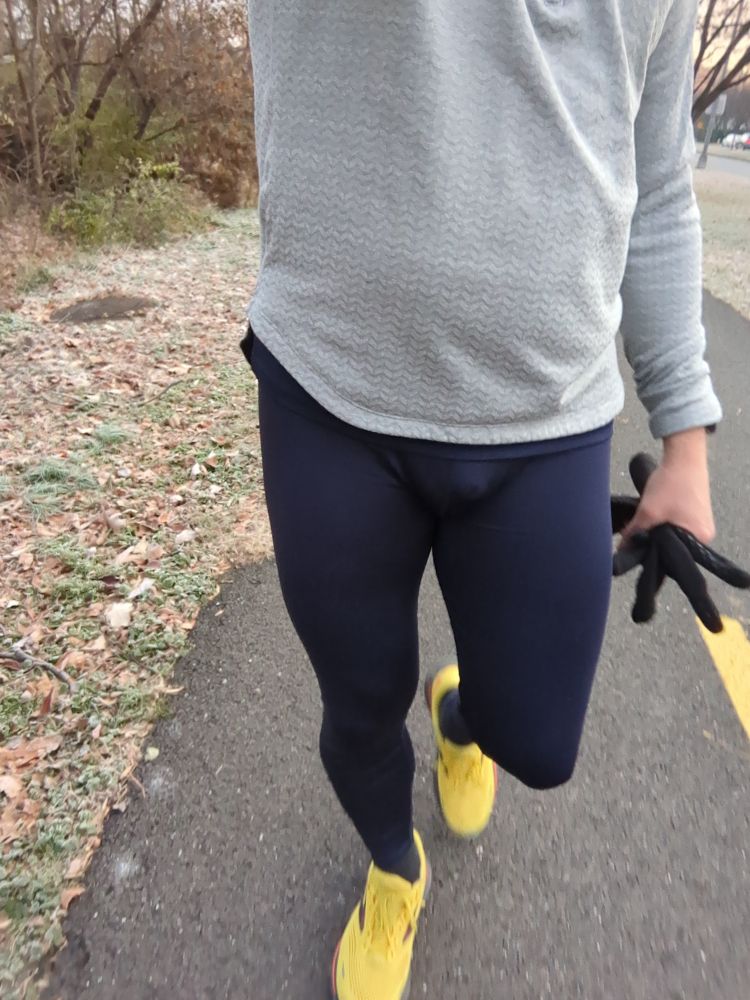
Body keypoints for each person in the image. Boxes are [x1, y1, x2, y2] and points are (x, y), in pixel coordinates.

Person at [241, 2, 722, 997]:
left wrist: (687, 437)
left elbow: (662, 194)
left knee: (539, 746)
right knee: (362, 708)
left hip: (549, 418)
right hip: (333, 397)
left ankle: (461, 715)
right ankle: (392, 864)